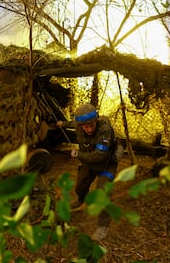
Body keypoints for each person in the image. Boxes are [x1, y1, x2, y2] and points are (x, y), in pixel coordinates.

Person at [56, 103, 124, 241]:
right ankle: (81, 200)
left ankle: (102, 226)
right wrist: (62, 124)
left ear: (96, 121)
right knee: (80, 186)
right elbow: (72, 123)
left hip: (106, 164)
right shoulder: (79, 125)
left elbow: (100, 155)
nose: (89, 129)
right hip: (89, 162)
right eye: (85, 126)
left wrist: (78, 154)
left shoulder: (105, 130)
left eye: (92, 125)